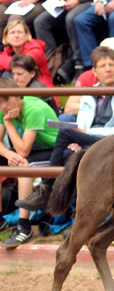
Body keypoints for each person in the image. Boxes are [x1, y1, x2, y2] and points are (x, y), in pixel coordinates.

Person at [16, 46, 114, 211]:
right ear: (94, 72)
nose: (109, 69)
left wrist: (84, 134)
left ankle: (46, 190)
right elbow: (82, 124)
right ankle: (75, 215)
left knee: (66, 133)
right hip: (92, 141)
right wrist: (77, 140)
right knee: (69, 155)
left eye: (112, 64)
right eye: (103, 66)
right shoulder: (90, 92)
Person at [0, 77, 59, 248]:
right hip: (31, 150)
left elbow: (23, 151)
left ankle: (24, 226)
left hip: (55, 150)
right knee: (15, 160)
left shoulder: (34, 109)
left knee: (23, 165)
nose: (4, 106)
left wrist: (8, 123)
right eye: (0, 101)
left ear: (18, 96)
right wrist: (7, 154)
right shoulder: (3, 109)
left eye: (7, 99)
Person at [63, 37, 114, 122]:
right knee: (65, 118)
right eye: (103, 64)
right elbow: (69, 107)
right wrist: (97, 108)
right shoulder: (86, 77)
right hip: (87, 120)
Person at [0, 16, 54, 87]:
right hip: (23, 86)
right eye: (12, 33)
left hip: (40, 90)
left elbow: (20, 64)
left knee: (6, 75)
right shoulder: (7, 50)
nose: (16, 36)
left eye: (20, 32)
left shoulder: (35, 49)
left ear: (26, 35)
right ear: (6, 37)